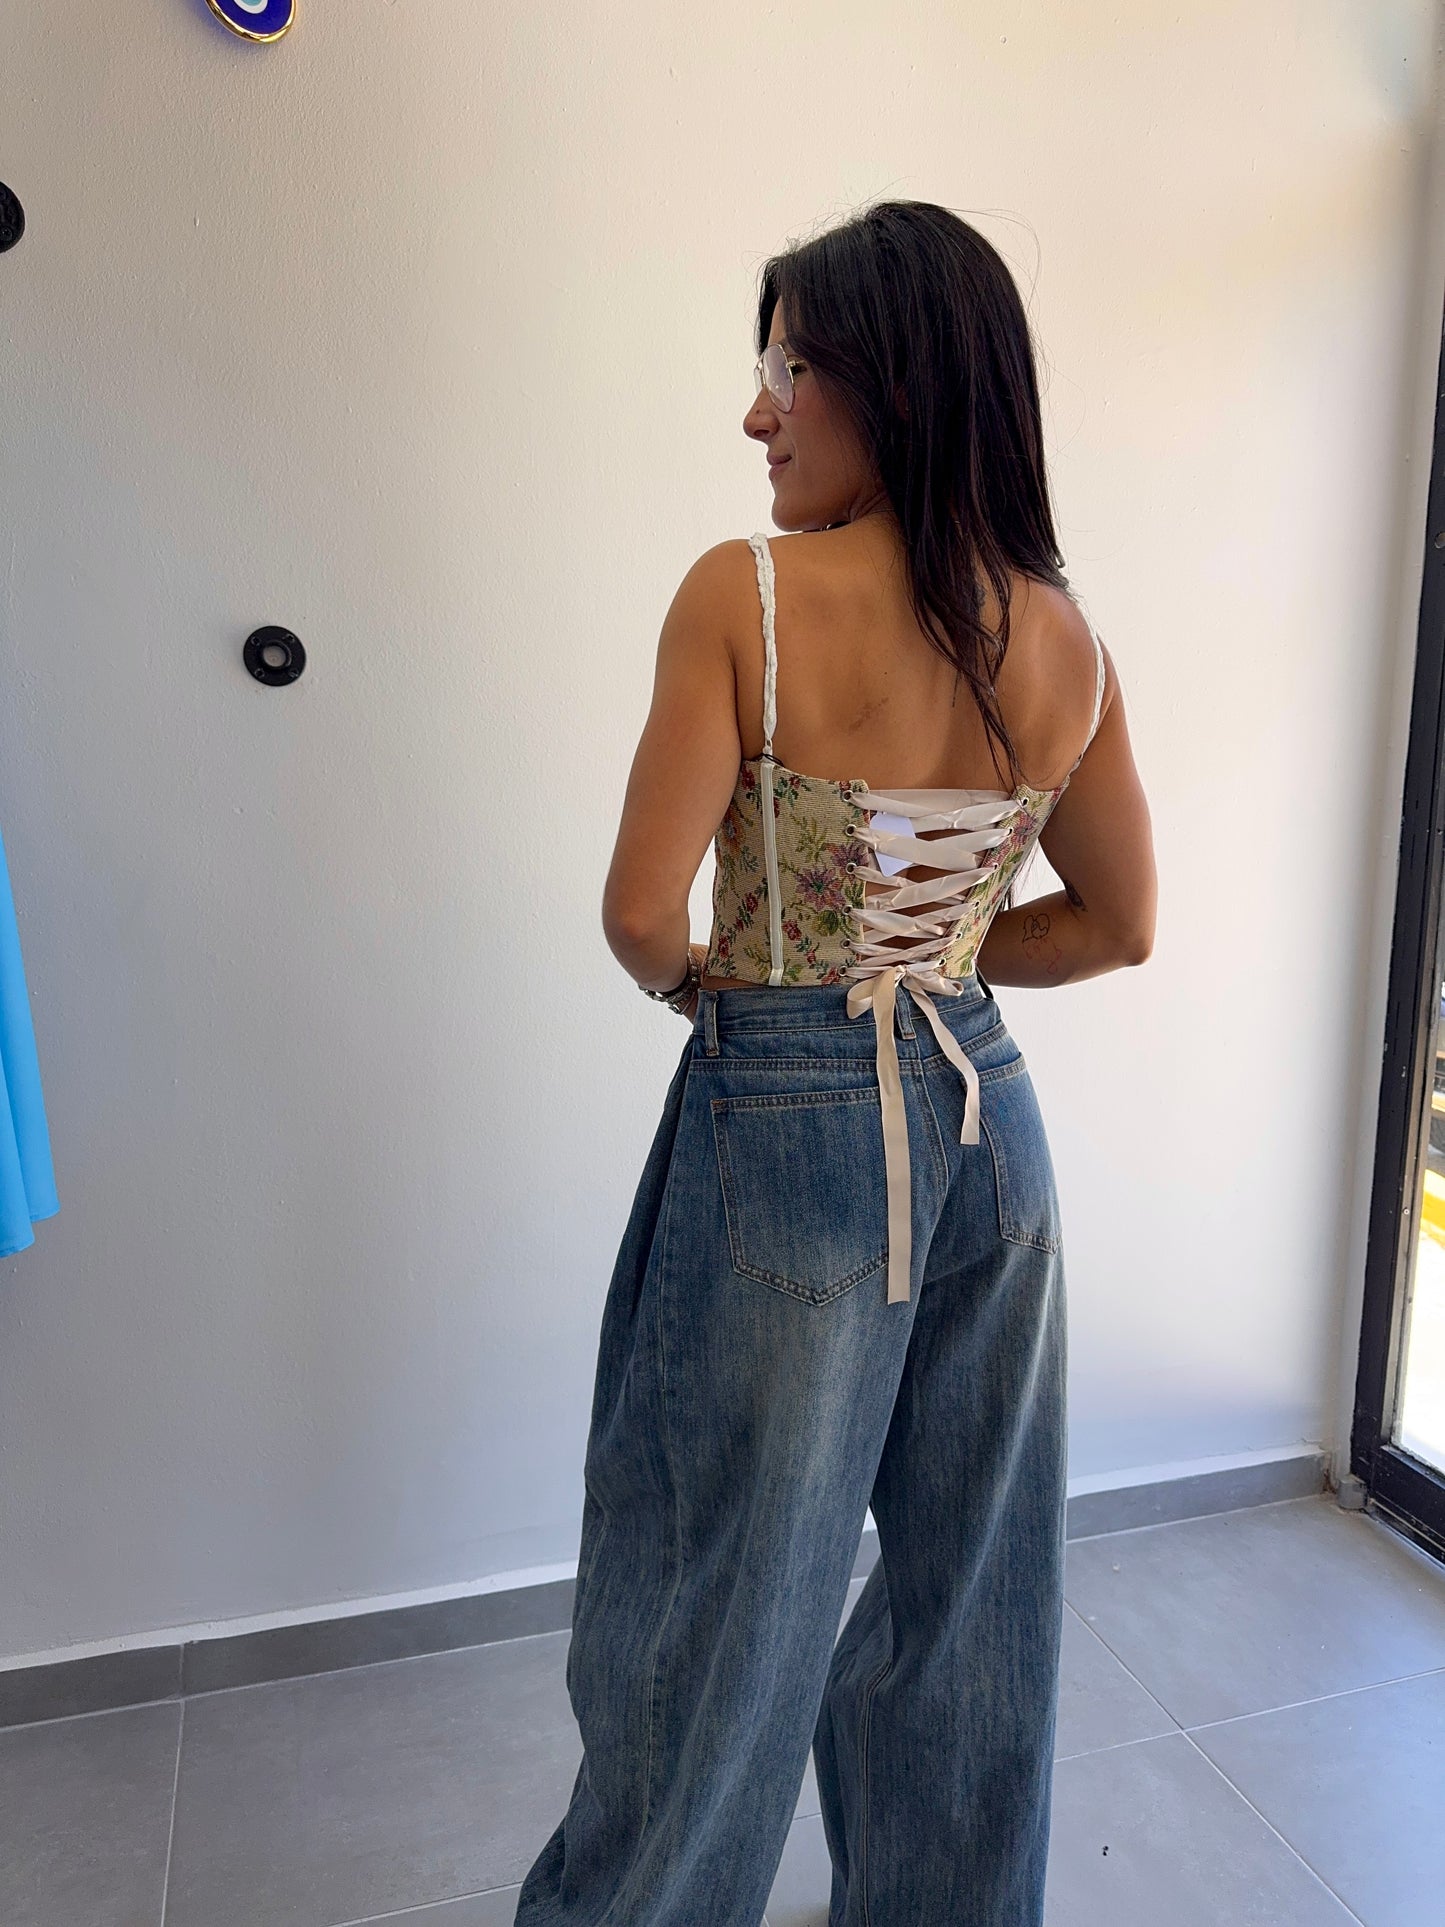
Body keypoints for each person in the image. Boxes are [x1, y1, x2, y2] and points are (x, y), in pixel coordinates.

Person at [514, 199, 1156, 1927]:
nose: (757, 413)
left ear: (894, 379)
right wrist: (932, 954)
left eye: (787, 370)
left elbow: (639, 913)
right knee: (972, 1592)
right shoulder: (1065, 637)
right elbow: (1117, 922)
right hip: (989, 1129)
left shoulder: (747, 596)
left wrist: (737, 985)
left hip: (787, 1116)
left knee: (713, 1592)